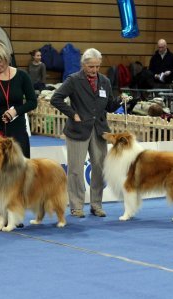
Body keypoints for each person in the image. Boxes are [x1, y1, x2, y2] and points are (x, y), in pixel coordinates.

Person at [51, 48, 122, 218]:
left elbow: (109, 105)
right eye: (91, 67)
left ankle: (96, 204)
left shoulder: (104, 81)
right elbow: (56, 98)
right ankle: (76, 206)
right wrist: (72, 113)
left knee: (99, 167)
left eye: (97, 66)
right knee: (75, 170)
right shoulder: (74, 80)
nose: (94, 70)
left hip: (99, 131)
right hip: (77, 130)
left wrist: (121, 100)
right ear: (83, 65)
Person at [0, 41, 37, 226]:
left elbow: (32, 102)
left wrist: (16, 111)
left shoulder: (21, 76)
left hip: (17, 130)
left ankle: (16, 214)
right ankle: (0, 215)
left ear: (7, 58)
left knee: (19, 175)